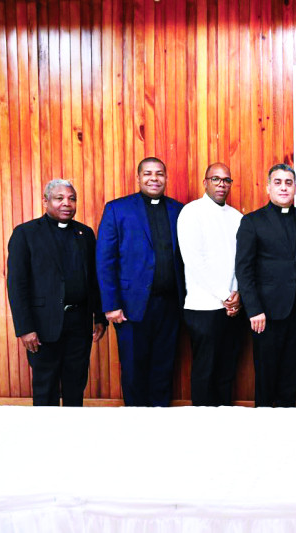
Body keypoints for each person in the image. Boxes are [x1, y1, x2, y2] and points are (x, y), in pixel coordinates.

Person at [7, 179, 107, 406]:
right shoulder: (26, 233)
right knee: (45, 387)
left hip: (79, 323)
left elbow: (94, 280)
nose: (66, 204)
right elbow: (17, 285)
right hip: (42, 326)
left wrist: (99, 316)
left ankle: (72, 438)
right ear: (45, 201)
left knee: (76, 385)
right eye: (59, 198)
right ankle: (44, 439)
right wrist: (25, 328)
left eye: (72, 199)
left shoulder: (85, 233)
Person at [96, 157, 185, 407]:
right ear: (138, 178)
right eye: (148, 173)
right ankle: (135, 428)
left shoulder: (178, 210)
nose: (154, 178)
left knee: (163, 368)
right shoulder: (117, 209)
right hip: (131, 307)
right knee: (134, 370)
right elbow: (105, 260)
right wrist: (111, 305)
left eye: (159, 174)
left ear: (166, 178)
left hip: (170, 305)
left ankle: (160, 424)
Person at [235, 163, 296, 407]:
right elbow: (244, 269)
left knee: (292, 375)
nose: (284, 187)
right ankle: (264, 432)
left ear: (295, 188)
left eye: (288, 183)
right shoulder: (252, 221)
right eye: (278, 182)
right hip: (266, 313)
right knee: (267, 375)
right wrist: (253, 309)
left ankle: (287, 431)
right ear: (269, 187)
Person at [178, 162, 244, 406]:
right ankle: (203, 428)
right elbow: (194, 260)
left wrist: (236, 294)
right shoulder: (191, 212)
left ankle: (224, 425)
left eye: (226, 180)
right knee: (205, 370)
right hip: (202, 307)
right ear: (205, 182)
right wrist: (225, 295)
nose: (221, 184)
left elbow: (241, 261)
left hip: (232, 308)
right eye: (215, 179)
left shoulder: (237, 217)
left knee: (227, 371)